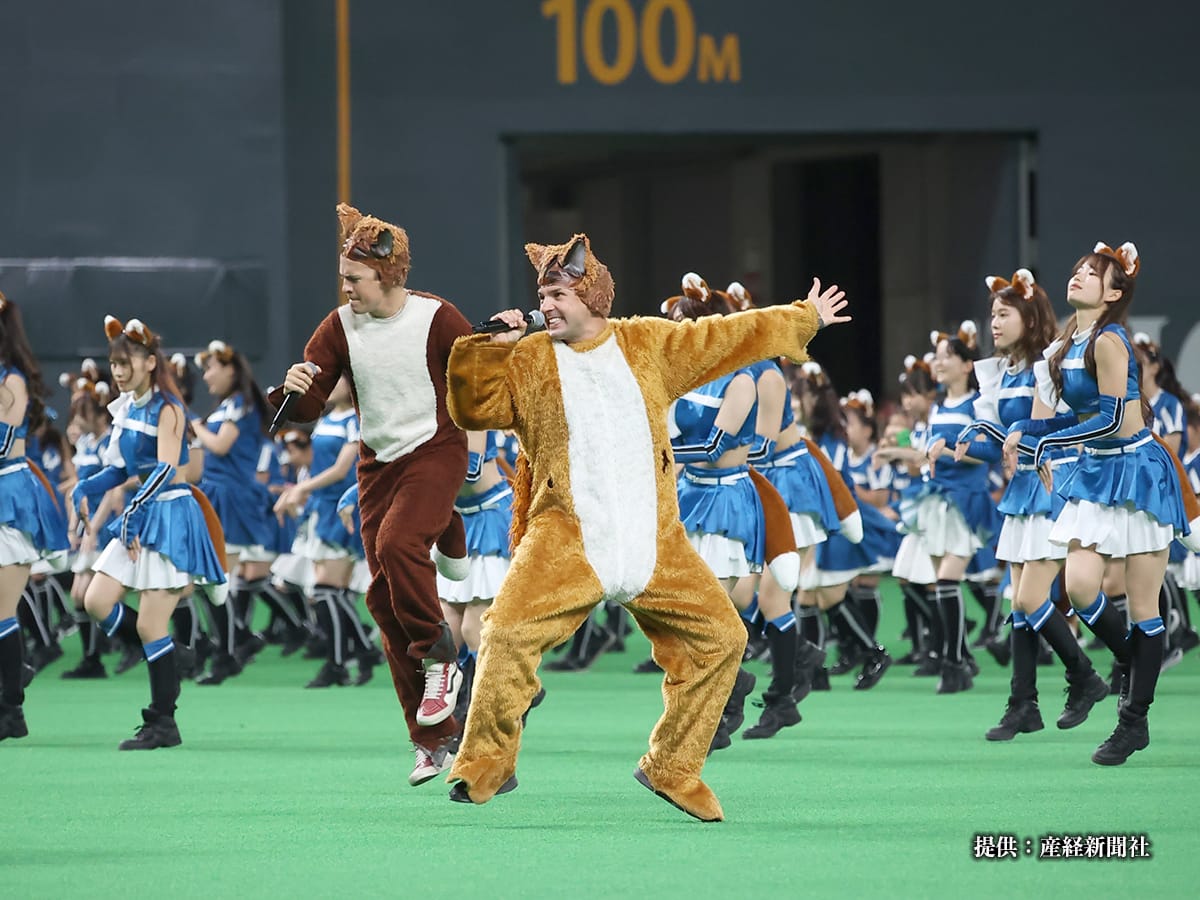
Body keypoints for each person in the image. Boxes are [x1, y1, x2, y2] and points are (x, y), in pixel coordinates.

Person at [444, 233, 849, 820]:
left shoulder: (647, 344)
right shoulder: (529, 359)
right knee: (503, 632)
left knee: (724, 639)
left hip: (655, 541)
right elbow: (472, 410)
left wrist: (802, 316)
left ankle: (673, 766)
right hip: (566, 538)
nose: (546, 305)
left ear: (590, 294)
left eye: (557, 293)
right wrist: (489, 346)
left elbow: (727, 337)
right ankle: (487, 762)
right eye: (542, 294)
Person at [272, 203, 472, 786]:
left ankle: (441, 657)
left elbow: (484, 376)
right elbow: (305, 412)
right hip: (376, 465)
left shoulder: (438, 318)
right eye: (344, 277)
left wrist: (507, 337)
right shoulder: (339, 326)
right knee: (383, 603)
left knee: (398, 544)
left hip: (437, 451)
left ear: (387, 274)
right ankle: (431, 739)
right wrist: (293, 389)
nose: (345, 287)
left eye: (353, 277)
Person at [1006, 242, 1188, 764]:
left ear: (1113, 292)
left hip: (1138, 470)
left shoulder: (1109, 340)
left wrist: (1046, 441)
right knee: (1079, 587)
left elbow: (1111, 420)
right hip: (1098, 471)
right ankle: (1133, 664)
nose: (1080, 276)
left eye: (1093, 273)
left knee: (1143, 603)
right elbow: (1075, 418)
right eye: (1078, 269)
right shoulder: (1070, 340)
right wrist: (1027, 430)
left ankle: (1133, 721)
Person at [954, 268, 1109, 740]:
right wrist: (963, 443)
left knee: (1028, 598)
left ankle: (1084, 676)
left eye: (1004, 314)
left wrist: (995, 439)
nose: (994, 324)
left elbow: (1039, 434)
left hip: (1051, 481)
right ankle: (1023, 704)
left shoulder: (1048, 364)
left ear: (1028, 315)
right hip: (1022, 487)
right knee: (1020, 607)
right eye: (992, 315)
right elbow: (1000, 446)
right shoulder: (998, 373)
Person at [72, 316, 226, 749]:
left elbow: (164, 469)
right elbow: (123, 469)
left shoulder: (168, 408)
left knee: (150, 625)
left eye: (127, 363)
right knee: (95, 600)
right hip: (141, 514)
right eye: (114, 363)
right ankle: (170, 656)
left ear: (149, 362)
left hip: (169, 517)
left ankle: (163, 723)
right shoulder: (129, 406)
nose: (118, 371)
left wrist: (133, 510)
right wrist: (87, 486)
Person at [0, 292, 70, 740]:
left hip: (8, 494)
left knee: (3, 612)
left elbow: (6, 443)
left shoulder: (11, 380)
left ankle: (12, 710)